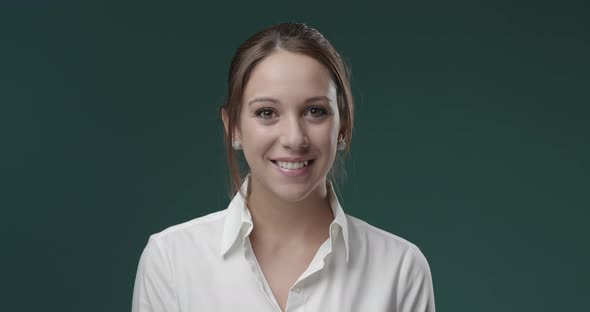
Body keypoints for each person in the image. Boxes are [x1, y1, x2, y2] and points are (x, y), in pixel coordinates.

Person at [132, 22, 435, 312]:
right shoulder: (171, 259)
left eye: (315, 111)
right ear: (233, 127)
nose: (294, 138)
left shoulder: (400, 268)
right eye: (267, 112)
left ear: (343, 126)